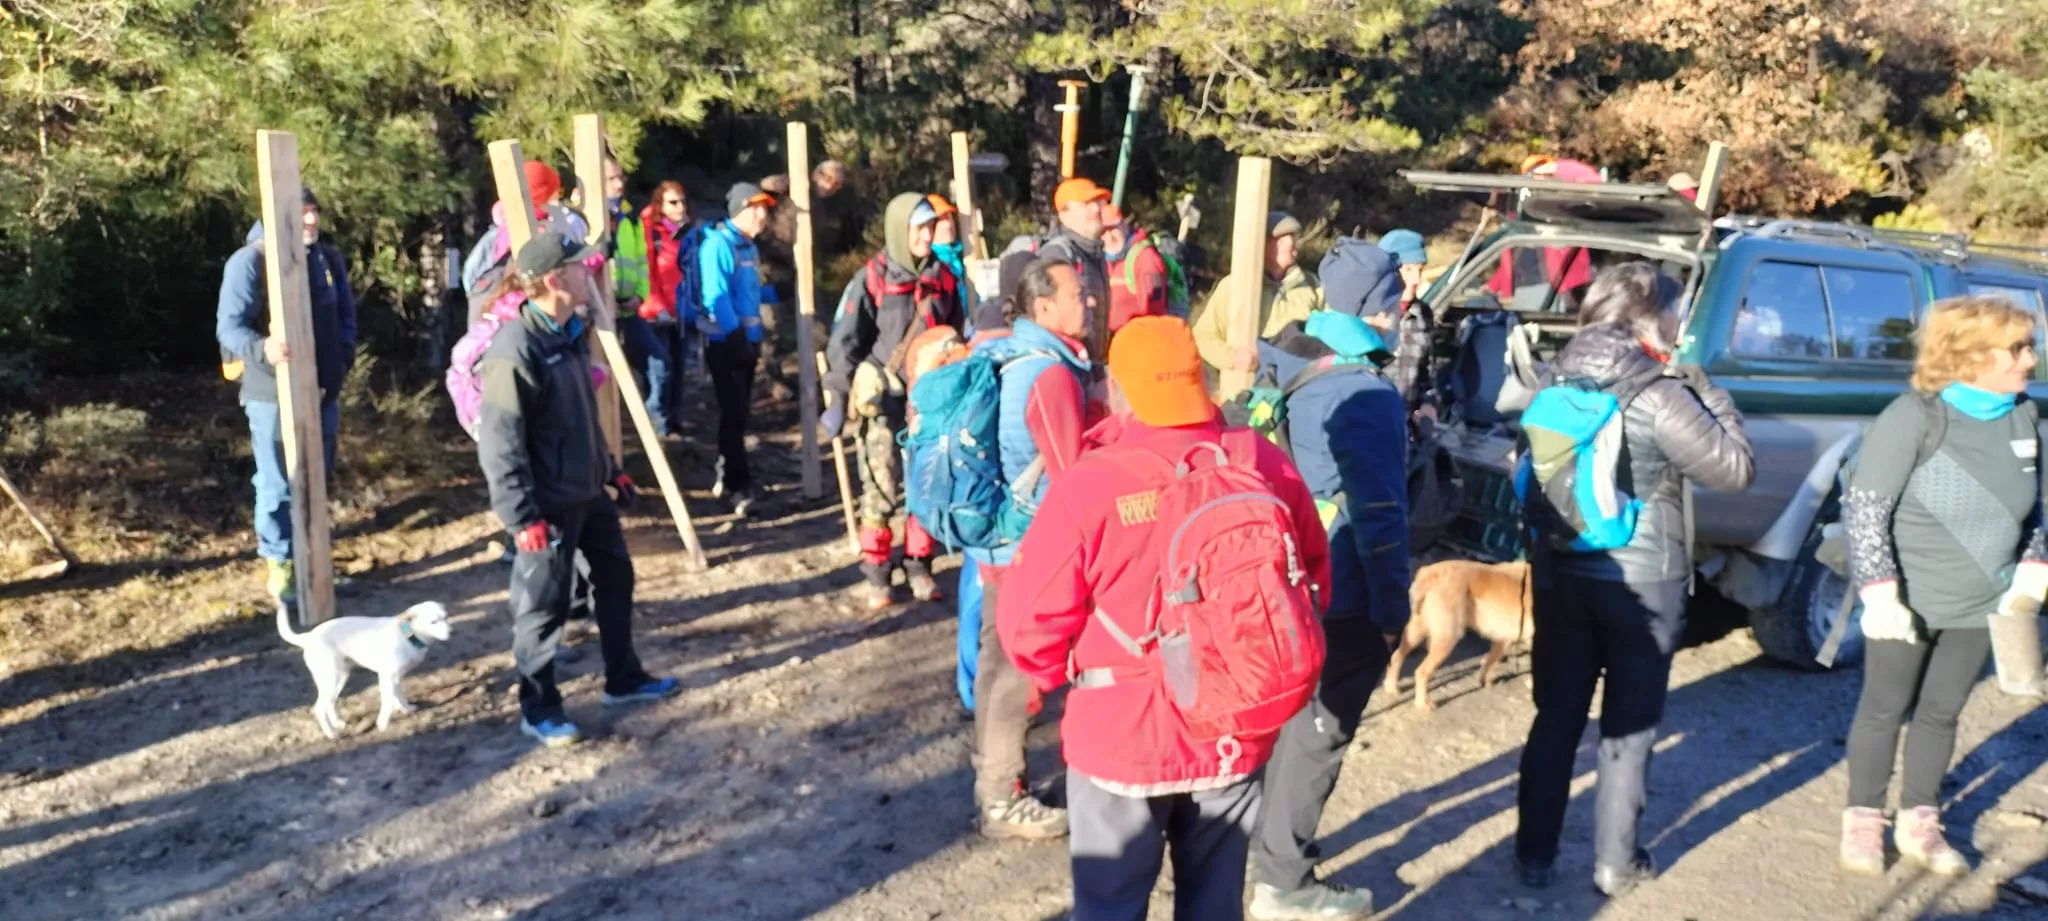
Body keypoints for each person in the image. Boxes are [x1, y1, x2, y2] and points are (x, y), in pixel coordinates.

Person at [998, 315, 1329, 921]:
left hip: (1126, 734)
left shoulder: (1092, 482)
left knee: (1111, 906)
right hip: (1236, 726)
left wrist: (1058, 673)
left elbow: (1026, 626)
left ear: (1118, 389)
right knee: (1213, 903)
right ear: (1195, 380)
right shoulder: (1257, 458)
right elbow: (1311, 575)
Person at [1512, 262, 1754, 895]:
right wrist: (1707, 388)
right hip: (1645, 582)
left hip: (1561, 569)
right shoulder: (1663, 390)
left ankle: (1532, 859)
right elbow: (1734, 469)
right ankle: (1616, 864)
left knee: (1556, 716)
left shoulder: (1553, 375)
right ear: (1652, 317)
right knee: (1628, 725)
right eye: (1675, 312)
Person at [1839, 296, 2046, 878]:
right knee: (1883, 710)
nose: (2030, 360)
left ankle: (1919, 822)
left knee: (1942, 713)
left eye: (2030, 346)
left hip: (1984, 601)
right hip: (1908, 601)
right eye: (2019, 348)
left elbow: (2037, 513)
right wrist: (1881, 594)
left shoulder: (2023, 416)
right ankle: (1863, 822)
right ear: (1972, 355)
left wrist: (2028, 578)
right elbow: (1866, 508)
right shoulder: (1914, 417)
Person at [476, 232, 679, 747]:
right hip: (547, 507)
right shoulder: (514, 350)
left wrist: (611, 470)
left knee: (617, 580)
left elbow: (582, 417)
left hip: (589, 493)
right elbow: (500, 445)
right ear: (554, 279)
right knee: (543, 609)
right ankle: (539, 708)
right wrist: (522, 520)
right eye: (578, 266)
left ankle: (624, 678)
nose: (589, 271)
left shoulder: (568, 333)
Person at [1246, 312, 1411, 920]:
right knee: (1322, 731)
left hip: (1283, 572)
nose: (1405, 307)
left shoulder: (1287, 361)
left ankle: (1258, 845)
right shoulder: (1362, 390)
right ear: (1372, 309)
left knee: (1287, 719)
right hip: (1343, 587)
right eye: (1398, 294)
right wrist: (1392, 609)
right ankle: (1283, 884)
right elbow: (1381, 513)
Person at [963, 257, 1097, 841]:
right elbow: (1072, 480)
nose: (1089, 301)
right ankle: (1002, 799)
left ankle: (995, 786)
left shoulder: (1015, 357)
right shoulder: (1049, 373)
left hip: (999, 540)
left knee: (998, 664)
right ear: (1044, 308)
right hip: (1029, 549)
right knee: (1018, 670)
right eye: (1077, 293)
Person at [822, 193, 965, 608]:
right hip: (883, 402)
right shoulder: (872, 279)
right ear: (900, 230)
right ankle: (878, 571)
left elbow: (955, 333)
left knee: (926, 485)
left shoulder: (944, 278)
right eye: (919, 228)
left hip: (930, 405)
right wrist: (837, 396)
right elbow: (845, 342)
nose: (927, 235)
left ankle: (921, 564)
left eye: (930, 227)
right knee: (881, 487)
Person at [216, 186, 355, 605]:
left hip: (323, 389)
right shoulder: (249, 261)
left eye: (315, 212)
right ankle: (281, 565)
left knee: (316, 476)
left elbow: (347, 316)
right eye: (302, 214)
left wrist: (342, 356)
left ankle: (315, 562)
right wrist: (264, 349)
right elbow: (229, 327)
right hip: (270, 393)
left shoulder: (327, 260)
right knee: (278, 481)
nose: (311, 221)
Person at [686, 183, 774, 516]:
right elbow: (717, 297)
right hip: (726, 344)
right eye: (756, 209)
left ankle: (730, 477)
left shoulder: (748, 247)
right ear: (739, 210)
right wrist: (736, 338)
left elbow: (748, 295)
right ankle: (737, 486)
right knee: (733, 416)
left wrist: (777, 293)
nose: (763, 215)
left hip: (745, 343)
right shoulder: (718, 246)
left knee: (740, 416)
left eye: (764, 209)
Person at [1192, 212, 1325, 397]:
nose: (1292, 245)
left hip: (1297, 394)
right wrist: (1233, 358)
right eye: (1282, 240)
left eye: (1293, 239)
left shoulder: (1312, 286)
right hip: (1244, 396)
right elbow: (1202, 336)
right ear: (1264, 244)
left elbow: (1330, 336)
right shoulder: (1234, 286)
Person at [603, 159, 667, 426]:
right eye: (611, 179)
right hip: (599, 314)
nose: (619, 184)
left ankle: (656, 431)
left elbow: (641, 261)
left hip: (629, 310)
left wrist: (640, 296)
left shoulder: (629, 215)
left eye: (621, 178)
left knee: (658, 365)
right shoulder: (580, 216)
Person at [636, 181, 696, 437]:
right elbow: (648, 271)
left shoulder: (688, 232)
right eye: (673, 202)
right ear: (659, 204)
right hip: (656, 313)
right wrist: (658, 306)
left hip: (682, 310)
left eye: (682, 201)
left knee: (680, 365)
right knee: (661, 368)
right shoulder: (651, 232)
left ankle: (675, 419)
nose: (679, 207)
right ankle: (657, 425)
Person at [1038, 178, 1114, 358]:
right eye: (1086, 204)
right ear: (1064, 215)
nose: (1096, 209)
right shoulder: (1058, 254)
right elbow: (1054, 320)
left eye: (1097, 203)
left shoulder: (1095, 252)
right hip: (1072, 364)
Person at [1100, 204, 1169, 333]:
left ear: (1124, 226)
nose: (1109, 237)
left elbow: (1154, 310)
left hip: (1138, 342)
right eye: (1103, 232)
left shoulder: (1146, 258)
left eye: (1114, 229)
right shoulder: (1104, 261)